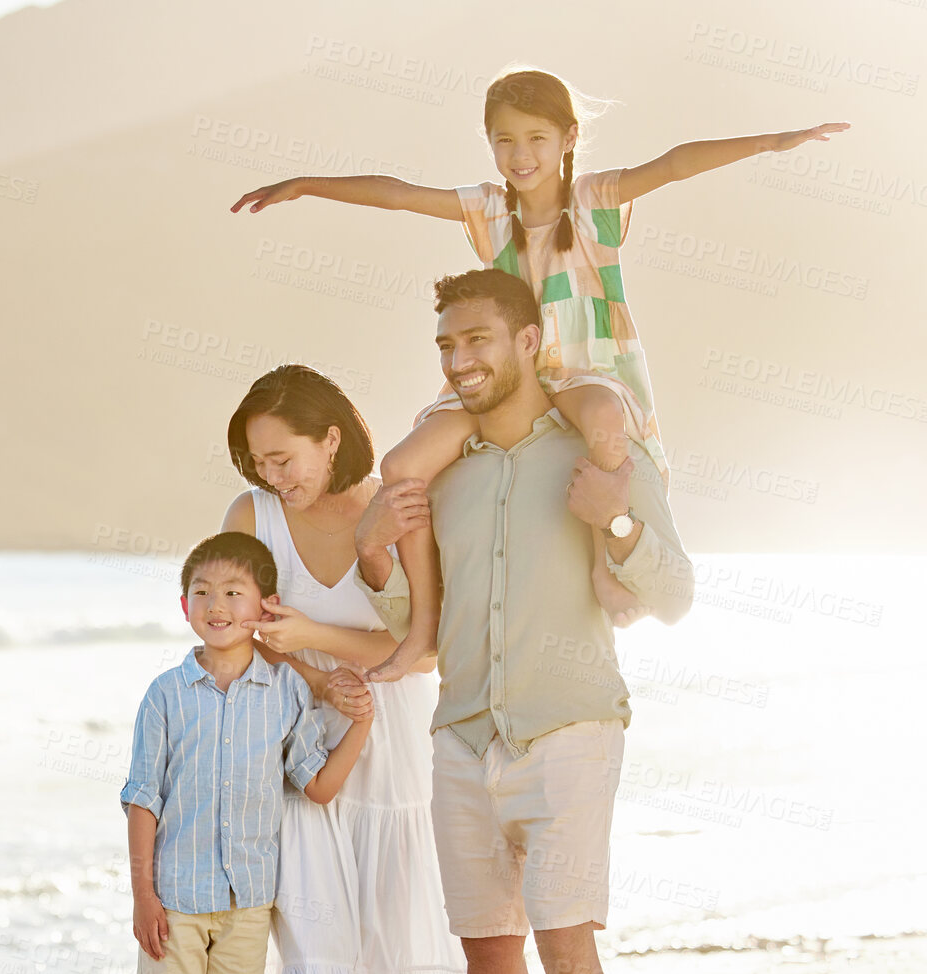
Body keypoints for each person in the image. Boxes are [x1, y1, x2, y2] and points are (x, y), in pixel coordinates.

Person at [232, 66, 844, 669]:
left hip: (585, 370)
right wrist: (306, 184)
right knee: (400, 465)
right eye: (504, 140)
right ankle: (421, 627)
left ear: (568, 139)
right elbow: (396, 193)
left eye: (536, 138)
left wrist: (774, 141)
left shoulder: (596, 200)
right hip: (501, 381)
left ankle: (607, 567)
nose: (519, 154)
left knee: (604, 419)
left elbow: (677, 161)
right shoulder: (489, 212)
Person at [354, 267, 693, 974]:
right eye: (447, 346)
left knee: (565, 940)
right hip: (461, 732)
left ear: (528, 341)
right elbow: (409, 619)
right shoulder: (443, 472)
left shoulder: (598, 451)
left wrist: (614, 517)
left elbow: (674, 594)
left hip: (570, 728)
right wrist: (379, 551)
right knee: (487, 946)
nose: (461, 361)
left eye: (477, 341)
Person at [217, 365, 491, 974]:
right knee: (312, 941)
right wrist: (304, 661)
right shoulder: (251, 517)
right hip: (297, 749)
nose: (275, 475)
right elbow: (232, 623)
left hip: (392, 745)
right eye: (260, 462)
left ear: (329, 436)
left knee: (390, 930)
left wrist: (314, 634)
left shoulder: (395, 500)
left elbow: (427, 643)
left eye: (284, 455)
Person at [119, 531, 374, 974]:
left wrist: (362, 728)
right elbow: (142, 797)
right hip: (176, 897)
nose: (217, 604)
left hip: (246, 900)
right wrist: (142, 893)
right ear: (184, 605)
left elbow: (316, 785)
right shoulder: (167, 695)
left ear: (262, 605)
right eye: (202, 592)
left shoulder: (285, 691)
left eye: (233, 592)